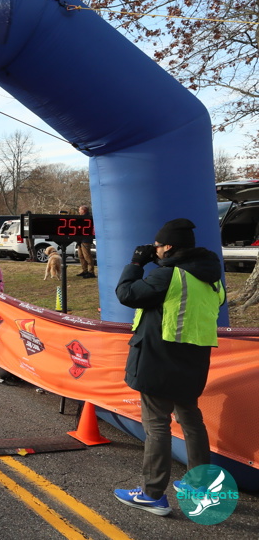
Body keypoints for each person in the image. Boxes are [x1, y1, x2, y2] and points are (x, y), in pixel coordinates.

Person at [112, 218, 224, 517]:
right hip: (193, 360)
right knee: (191, 420)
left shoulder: (168, 275)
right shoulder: (212, 277)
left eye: (158, 246)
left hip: (159, 359)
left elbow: (126, 294)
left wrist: (136, 264)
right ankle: (199, 486)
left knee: (157, 425)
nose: (155, 250)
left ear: (169, 247)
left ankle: (152, 494)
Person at [76, 205, 96, 278]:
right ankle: (85, 270)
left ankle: (91, 272)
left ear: (84, 210)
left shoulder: (89, 218)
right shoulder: (80, 218)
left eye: (80, 210)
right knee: (81, 256)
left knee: (87, 256)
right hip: (80, 240)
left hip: (86, 240)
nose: (79, 211)